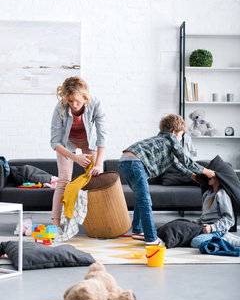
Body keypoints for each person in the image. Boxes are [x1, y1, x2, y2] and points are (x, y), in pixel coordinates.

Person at [118, 114, 215, 246]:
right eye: (181, 135)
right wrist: (205, 171)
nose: (180, 139)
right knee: (145, 201)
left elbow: (177, 164)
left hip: (124, 162)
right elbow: (184, 160)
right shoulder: (171, 139)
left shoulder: (160, 141)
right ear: (174, 132)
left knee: (140, 199)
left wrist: (193, 177)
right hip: (135, 163)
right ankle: (151, 239)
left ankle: (137, 230)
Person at [50, 76, 106, 232]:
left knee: (96, 177)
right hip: (67, 143)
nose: (74, 105)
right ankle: (55, 223)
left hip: (89, 142)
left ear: (85, 98)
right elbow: (55, 142)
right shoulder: (60, 107)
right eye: (70, 101)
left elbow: (102, 136)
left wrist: (99, 164)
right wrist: (75, 157)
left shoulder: (96, 104)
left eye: (78, 102)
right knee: (64, 180)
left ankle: (99, 220)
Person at [190, 175, 235, 248]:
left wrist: (212, 227)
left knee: (196, 242)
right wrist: (196, 221)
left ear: (218, 178)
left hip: (217, 229)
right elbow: (206, 216)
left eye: (211, 175)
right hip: (206, 228)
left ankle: (227, 240)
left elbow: (229, 219)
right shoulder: (207, 193)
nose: (208, 177)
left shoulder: (222, 194)